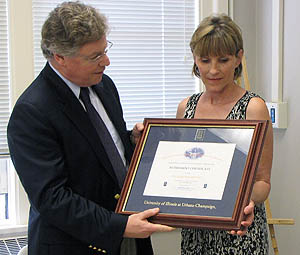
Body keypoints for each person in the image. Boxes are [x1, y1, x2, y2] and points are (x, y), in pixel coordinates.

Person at [7, 2, 173, 255]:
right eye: (95, 56)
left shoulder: (104, 85)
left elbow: (100, 151)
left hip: (128, 237)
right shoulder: (32, 112)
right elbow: (52, 198)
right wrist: (118, 226)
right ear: (59, 57)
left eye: (105, 50)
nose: (106, 61)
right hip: (77, 244)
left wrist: (131, 140)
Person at [176, 14, 273, 254]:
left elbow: (263, 182)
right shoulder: (185, 107)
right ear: (195, 59)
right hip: (196, 233)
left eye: (223, 59)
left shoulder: (253, 108)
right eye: (205, 60)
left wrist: (238, 198)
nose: (213, 70)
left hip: (238, 231)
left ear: (239, 57)